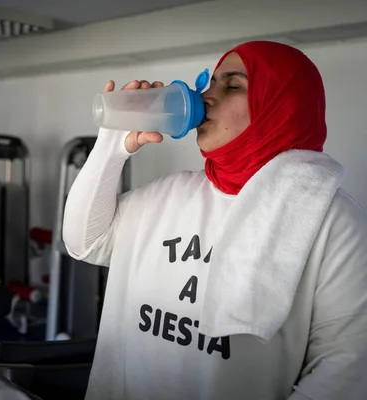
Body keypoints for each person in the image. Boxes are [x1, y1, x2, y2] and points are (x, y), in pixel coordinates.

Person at [62, 41, 367, 399]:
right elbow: (84, 242)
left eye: (233, 85)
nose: (206, 96)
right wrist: (110, 148)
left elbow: (345, 364)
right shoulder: (168, 193)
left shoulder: (333, 221)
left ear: (280, 108)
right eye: (210, 83)